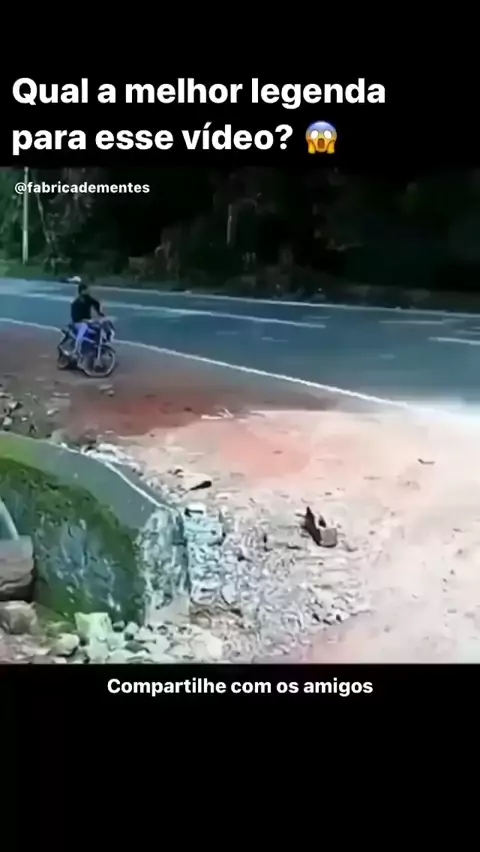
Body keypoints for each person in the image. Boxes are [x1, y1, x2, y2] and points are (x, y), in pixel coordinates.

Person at [70, 282, 104, 356]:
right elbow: (75, 316)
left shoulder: (87, 298)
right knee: (84, 327)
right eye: (86, 290)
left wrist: (99, 312)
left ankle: (97, 346)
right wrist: (83, 320)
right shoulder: (76, 302)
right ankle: (76, 349)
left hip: (88, 321)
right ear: (82, 291)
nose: (88, 291)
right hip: (78, 322)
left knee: (99, 327)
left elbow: (96, 303)